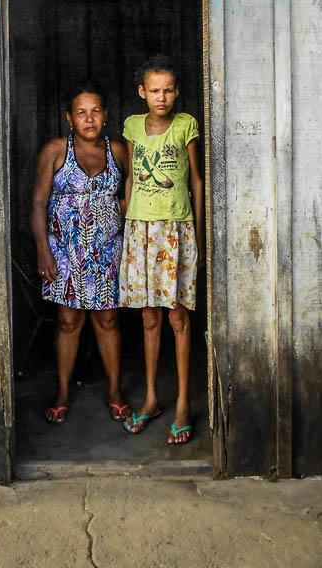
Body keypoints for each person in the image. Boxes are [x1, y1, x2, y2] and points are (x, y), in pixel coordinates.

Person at [31, 79, 131, 424]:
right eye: (81, 113)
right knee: (69, 321)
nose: (89, 119)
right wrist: (44, 251)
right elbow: (39, 202)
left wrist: (121, 207)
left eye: (96, 111)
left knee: (108, 320)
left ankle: (115, 391)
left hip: (107, 251)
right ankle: (62, 391)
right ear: (70, 118)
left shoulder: (118, 150)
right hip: (65, 251)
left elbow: (135, 192)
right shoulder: (56, 150)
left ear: (105, 114)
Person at [119, 55, 204, 444]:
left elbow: (197, 182)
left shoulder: (186, 125)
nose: (162, 97)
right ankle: (152, 397)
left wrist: (197, 233)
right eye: (154, 90)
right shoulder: (133, 127)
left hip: (176, 229)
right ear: (142, 92)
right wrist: (128, 226)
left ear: (176, 92)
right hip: (141, 230)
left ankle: (183, 402)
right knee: (149, 319)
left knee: (178, 319)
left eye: (168, 89)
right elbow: (131, 179)